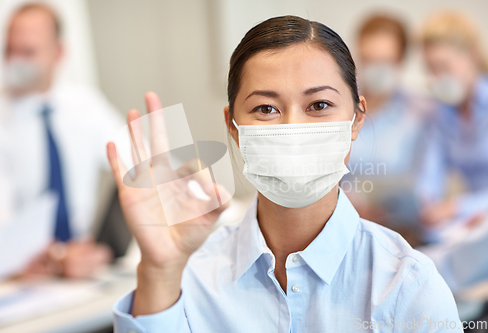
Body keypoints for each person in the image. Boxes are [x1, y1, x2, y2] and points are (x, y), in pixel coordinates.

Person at [110, 16, 461, 332]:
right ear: (232, 127)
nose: (293, 128)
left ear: (356, 119)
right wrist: (158, 271)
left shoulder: (407, 285)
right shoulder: (189, 276)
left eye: (319, 105)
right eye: (266, 108)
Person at [0, 3, 121, 278]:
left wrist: (101, 251)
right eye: (8, 50)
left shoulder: (84, 104)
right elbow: (1, 225)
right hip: (22, 275)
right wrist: (57, 258)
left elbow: (139, 165)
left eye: (28, 52)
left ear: (58, 52)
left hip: (82, 268)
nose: (15, 62)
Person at [343, 15, 431, 242]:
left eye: (385, 61)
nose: (375, 69)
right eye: (368, 59)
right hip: (341, 222)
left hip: (400, 230)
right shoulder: (339, 106)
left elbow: (427, 185)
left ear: (401, 59)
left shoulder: (421, 114)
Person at [417, 11, 488, 242]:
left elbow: (457, 207)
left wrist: (459, 207)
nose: (438, 77)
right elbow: (429, 175)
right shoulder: (441, 114)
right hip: (471, 221)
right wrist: (425, 206)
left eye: (444, 66)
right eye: (432, 69)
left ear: (471, 56)